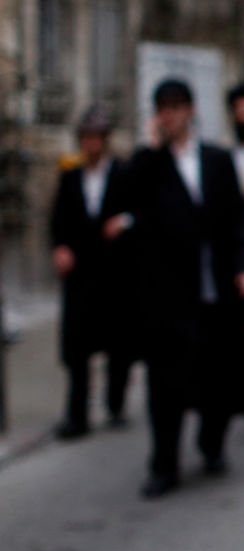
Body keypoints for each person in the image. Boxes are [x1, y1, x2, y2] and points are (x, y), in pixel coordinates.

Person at [124, 79, 244, 498]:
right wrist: (154, 148)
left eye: (178, 107)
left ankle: (212, 444)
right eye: (163, 108)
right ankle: (164, 465)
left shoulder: (217, 160)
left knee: (216, 376)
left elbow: (237, 220)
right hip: (168, 298)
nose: (171, 115)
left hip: (215, 292)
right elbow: (133, 200)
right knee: (165, 384)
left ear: (191, 111)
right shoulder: (149, 163)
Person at [49, 105, 140, 439]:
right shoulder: (70, 176)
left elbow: (141, 210)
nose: (90, 144)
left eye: (95, 138)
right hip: (81, 276)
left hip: (115, 274)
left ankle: (115, 403)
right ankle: (77, 416)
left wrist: (125, 222)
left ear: (104, 140)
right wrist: (60, 248)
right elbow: (58, 222)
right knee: (77, 349)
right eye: (85, 138)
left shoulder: (123, 173)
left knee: (118, 344)